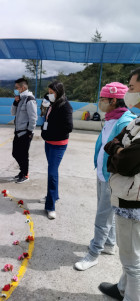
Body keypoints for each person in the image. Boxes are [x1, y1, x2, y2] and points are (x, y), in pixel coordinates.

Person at [75, 82, 135, 271]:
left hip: (111, 176)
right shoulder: (110, 118)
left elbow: (122, 154)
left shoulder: (124, 122)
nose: (99, 103)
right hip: (102, 172)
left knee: (102, 216)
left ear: (114, 100)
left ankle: (94, 253)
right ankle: (109, 245)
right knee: (107, 212)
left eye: (102, 99)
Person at [98, 68, 140, 300]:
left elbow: (126, 162)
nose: (129, 92)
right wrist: (119, 149)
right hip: (126, 194)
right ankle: (123, 288)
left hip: (134, 200)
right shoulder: (136, 121)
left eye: (132, 88)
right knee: (128, 252)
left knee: (132, 259)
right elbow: (113, 145)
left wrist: (119, 151)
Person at [40, 81, 73, 220]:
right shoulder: (51, 105)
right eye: (49, 92)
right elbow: (46, 120)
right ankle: (54, 195)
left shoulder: (65, 106)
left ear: (59, 92)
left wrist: (51, 131)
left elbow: (68, 127)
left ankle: (50, 206)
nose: (50, 95)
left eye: (52, 92)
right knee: (53, 170)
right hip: (48, 143)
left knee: (52, 173)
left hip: (58, 144)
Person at [11, 78, 37, 183]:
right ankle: (22, 171)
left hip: (25, 132)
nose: (15, 90)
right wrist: (15, 102)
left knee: (23, 155)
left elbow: (33, 118)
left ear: (23, 88)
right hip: (18, 131)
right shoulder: (20, 99)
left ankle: (25, 174)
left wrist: (30, 132)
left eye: (17, 88)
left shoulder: (30, 99)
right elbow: (13, 113)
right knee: (15, 153)